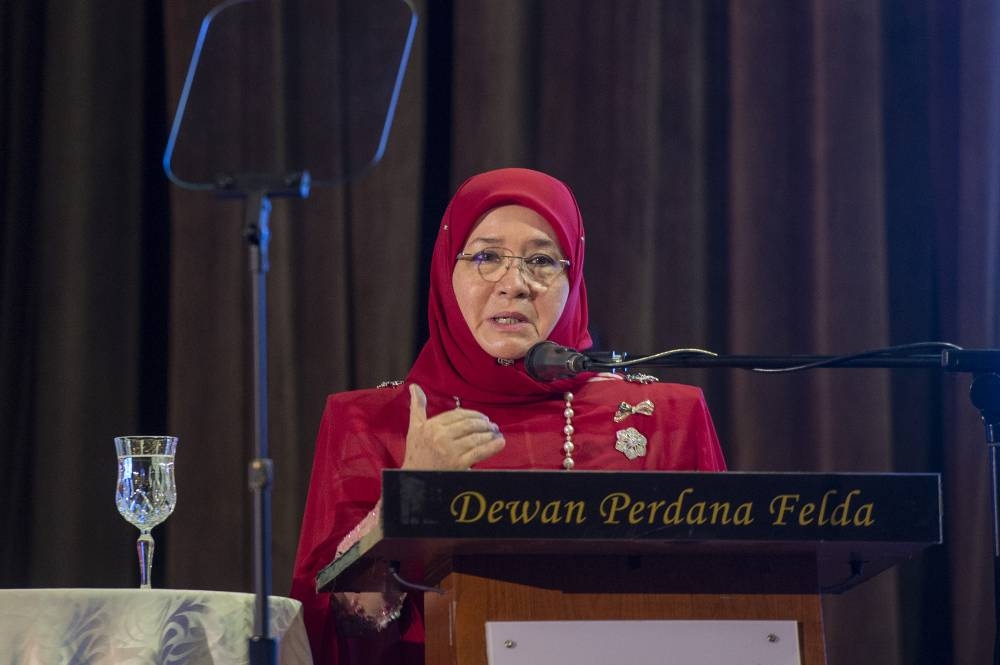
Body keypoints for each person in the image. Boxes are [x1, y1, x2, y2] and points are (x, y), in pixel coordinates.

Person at [290, 167, 726, 664]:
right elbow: (341, 631)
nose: (514, 284)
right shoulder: (372, 421)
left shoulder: (663, 417)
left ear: (574, 278)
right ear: (445, 272)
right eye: (486, 257)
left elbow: (723, 607)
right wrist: (409, 496)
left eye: (541, 260)